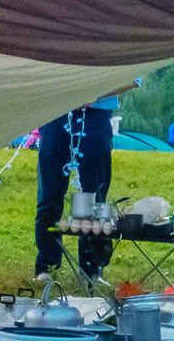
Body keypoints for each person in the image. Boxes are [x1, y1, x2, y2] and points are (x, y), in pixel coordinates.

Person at [35, 94, 119, 284]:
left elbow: (131, 77)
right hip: (55, 111)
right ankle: (47, 265)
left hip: (96, 115)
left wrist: (96, 94)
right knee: (49, 196)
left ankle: (92, 269)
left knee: (95, 198)